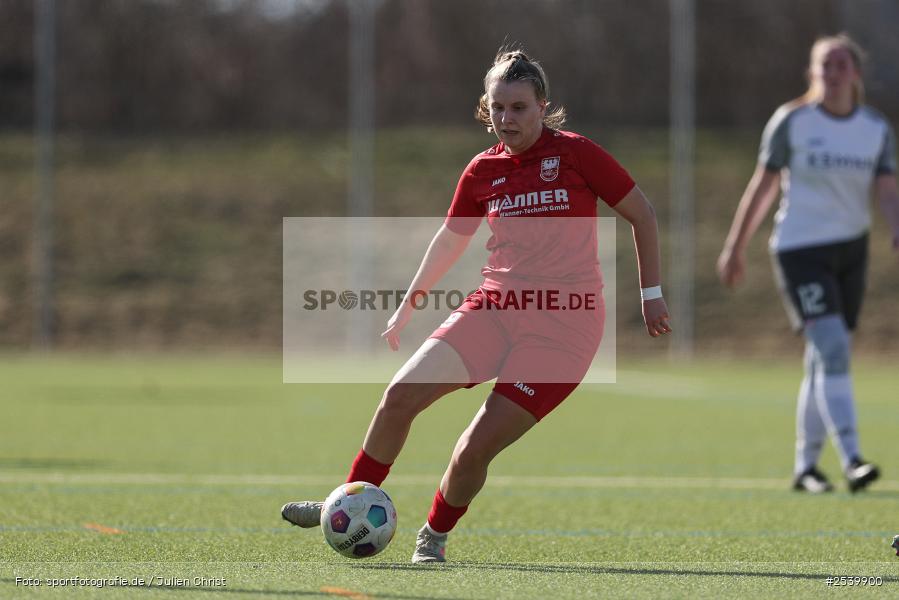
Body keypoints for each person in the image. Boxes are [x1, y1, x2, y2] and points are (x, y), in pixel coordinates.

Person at [282, 48, 671, 562]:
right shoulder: (482, 170)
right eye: (498, 107)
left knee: (471, 450)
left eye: (519, 108)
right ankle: (346, 502)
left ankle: (433, 536)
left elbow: (643, 214)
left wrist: (650, 294)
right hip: (494, 310)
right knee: (399, 395)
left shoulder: (577, 155)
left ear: (542, 107)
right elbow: (450, 239)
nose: (507, 119)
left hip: (564, 331)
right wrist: (408, 304)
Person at [717, 34, 899, 494]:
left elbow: (887, 189)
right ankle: (853, 459)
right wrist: (735, 245)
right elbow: (763, 186)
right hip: (800, 250)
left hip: (851, 250)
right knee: (834, 348)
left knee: (823, 356)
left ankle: (805, 468)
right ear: (812, 73)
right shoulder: (793, 121)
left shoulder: (874, 129)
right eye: (824, 64)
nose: (832, 72)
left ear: (855, 73)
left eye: (840, 64)